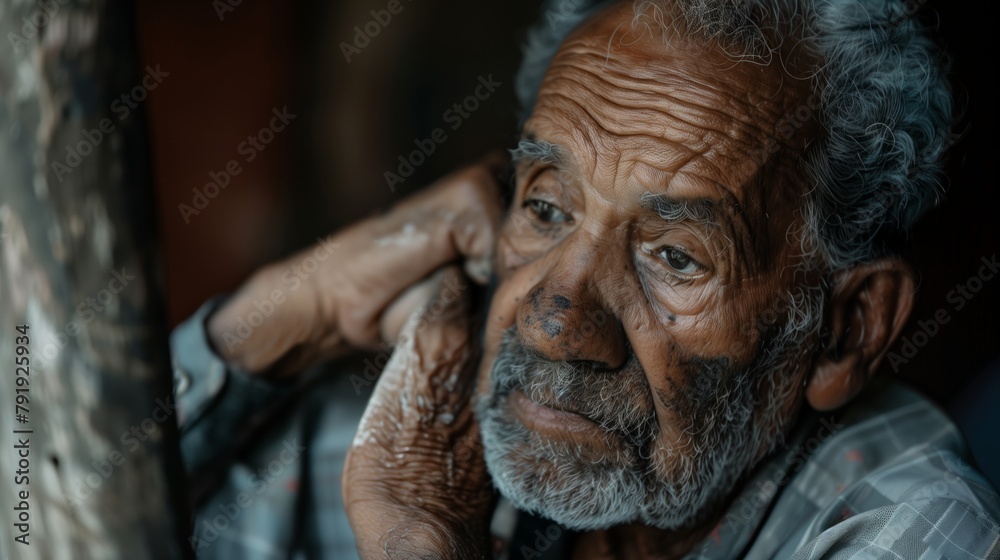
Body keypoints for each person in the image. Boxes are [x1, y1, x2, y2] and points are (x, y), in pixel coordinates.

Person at [172, 0, 1000, 558]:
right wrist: (282, 314)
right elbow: (37, 492)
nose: (557, 319)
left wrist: (418, 547)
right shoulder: (423, 439)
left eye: (675, 255)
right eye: (548, 209)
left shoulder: (919, 532)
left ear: (845, 329)